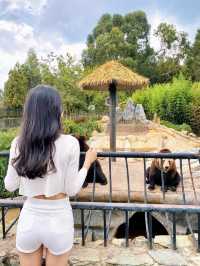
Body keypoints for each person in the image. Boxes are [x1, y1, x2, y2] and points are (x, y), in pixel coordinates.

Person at [4, 85, 97, 266]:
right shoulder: (70, 143)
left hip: (30, 218)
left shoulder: (18, 143)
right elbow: (71, 189)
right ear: (56, 112)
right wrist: (87, 164)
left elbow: (10, 185)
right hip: (59, 219)